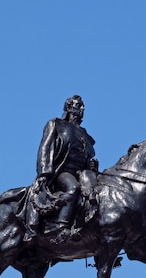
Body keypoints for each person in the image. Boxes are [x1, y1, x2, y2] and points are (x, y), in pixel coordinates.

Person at [26, 95, 98, 243]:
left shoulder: (85, 134)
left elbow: (87, 157)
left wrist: (91, 166)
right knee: (73, 188)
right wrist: (43, 174)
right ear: (69, 108)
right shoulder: (56, 124)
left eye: (83, 106)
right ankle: (60, 227)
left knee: (98, 193)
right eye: (79, 105)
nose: (82, 108)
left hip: (82, 172)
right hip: (62, 171)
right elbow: (45, 149)